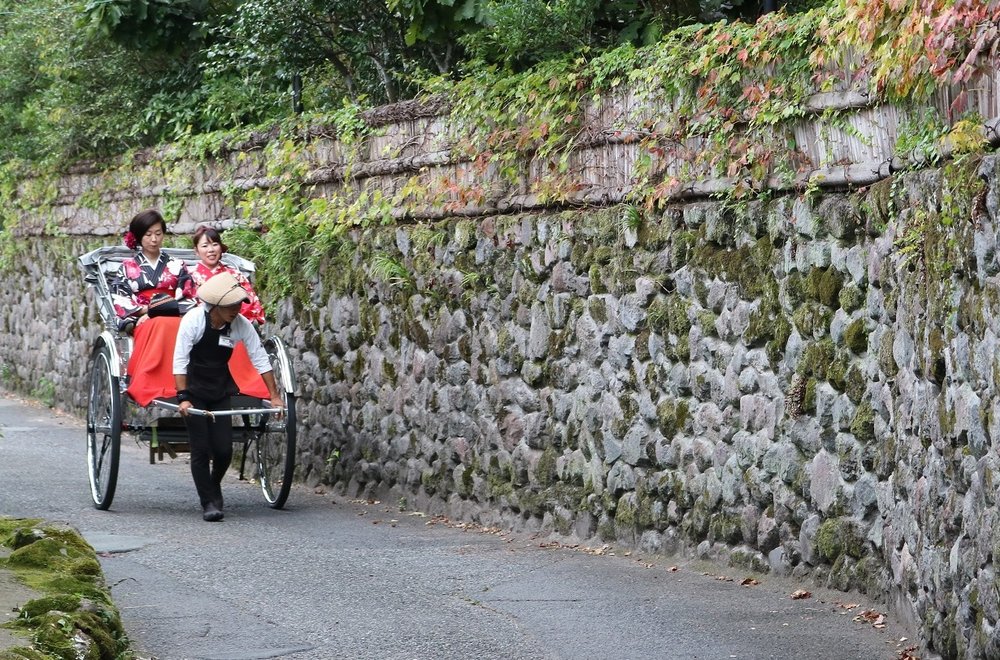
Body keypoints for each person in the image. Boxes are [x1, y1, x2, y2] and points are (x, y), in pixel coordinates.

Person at [173, 272, 284, 522]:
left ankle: (213, 485)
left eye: (239, 305)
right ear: (216, 305)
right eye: (231, 305)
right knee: (201, 448)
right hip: (194, 390)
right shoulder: (193, 321)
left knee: (223, 450)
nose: (236, 310)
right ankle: (208, 503)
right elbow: (179, 360)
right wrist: (183, 397)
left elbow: (260, 358)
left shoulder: (240, 324)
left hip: (220, 388)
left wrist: (274, 396)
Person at [110, 209, 197, 333]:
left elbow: (188, 297)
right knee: (154, 325)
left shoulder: (177, 265)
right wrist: (150, 310)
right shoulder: (126, 268)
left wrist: (160, 309)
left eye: (158, 233)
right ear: (139, 236)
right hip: (142, 318)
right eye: (148, 234)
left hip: (174, 316)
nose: (154, 239)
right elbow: (121, 300)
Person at [189, 224, 266, 324]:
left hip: (236, 325)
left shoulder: (235, 274)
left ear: (220, 247)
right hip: (200, 326)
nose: (211, 250)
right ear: (196, 251)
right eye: (205, 246)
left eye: (215, 244)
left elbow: (249, 302)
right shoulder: (189, 276)